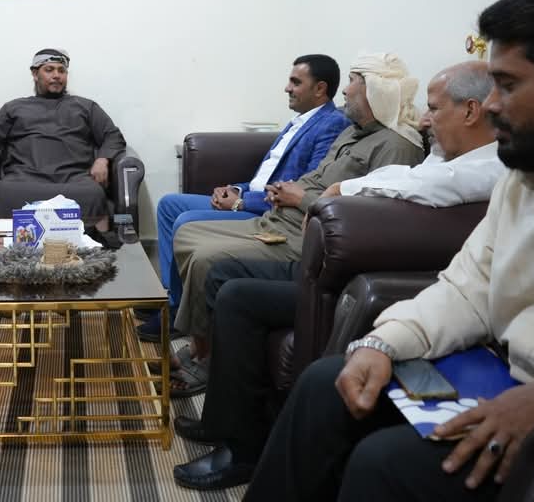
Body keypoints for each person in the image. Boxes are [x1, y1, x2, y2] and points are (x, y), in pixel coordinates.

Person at [240, 0, 534, 502]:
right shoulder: (526, 179)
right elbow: (465, 289)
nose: (491, 106)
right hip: (502, 384)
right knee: (326, 384)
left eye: (506, 85)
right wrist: (383, 342)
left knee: (383, 464)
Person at [172, 60, 505, 491]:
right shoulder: (441, 155)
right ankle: (230, 430)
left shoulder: (491, 167)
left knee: (233, 288)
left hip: (357, 273)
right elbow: (411, 176)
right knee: (233, 289)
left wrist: (343, 189)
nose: (424, 119)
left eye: (434, 109)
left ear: (471, 111)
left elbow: (432, 184)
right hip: (336, 263)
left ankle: (241, 449)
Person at [168, 54, 426, 396]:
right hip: (280, 216)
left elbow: (370, 218)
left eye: (353, 81)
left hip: (303, 236)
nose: (345, 91)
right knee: (186, 232)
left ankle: (205, 357)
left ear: (376, 91)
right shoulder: (355, 132)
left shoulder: (397, 146)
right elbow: (318, 178)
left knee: (205, 257)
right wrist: (280, 191)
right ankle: (200, 341)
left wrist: (300, 199)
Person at [141, 55, 350, 343]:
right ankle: (173, 296)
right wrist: (235, 189)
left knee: (185, 221)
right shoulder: (299, 122)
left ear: (320, 89)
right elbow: (264, 176)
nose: (287, 88)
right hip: (250, 196)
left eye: (295, 82)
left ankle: (177, 311)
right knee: (169, 205)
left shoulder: (331, 124)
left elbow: (298, 187)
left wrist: (241, 203)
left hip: (268, 210)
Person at [0, 48, 125, 230]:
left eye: (61, 70)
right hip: (23, 178)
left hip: (74, 178)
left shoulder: (86, 107)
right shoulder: (14, 107)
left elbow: (113, 135)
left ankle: (92, 246)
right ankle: (8, 247)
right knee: (3, 193)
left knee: (93, 193)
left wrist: (103, 159)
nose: (56, 75)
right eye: (49, 70)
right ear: (35, 74)